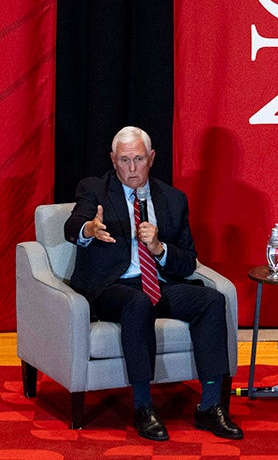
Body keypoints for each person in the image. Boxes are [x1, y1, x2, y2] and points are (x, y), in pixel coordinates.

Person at [64, 125, 243, 442]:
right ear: (113, 160)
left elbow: (188, 262)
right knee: (139, 303)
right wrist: (89, 230)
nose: (132, 168)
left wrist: (159, 249)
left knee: (213, 301)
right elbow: (73, 225)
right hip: (112, 288)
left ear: (152, 158)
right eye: (124, 160)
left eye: (139, 159)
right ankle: (144, 407)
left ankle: (210, 406)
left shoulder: (173, 199)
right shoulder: (95, 189)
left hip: (159, 284)